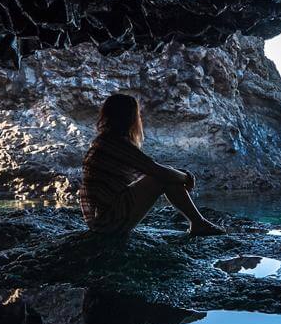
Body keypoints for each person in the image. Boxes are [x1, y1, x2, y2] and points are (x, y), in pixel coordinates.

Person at [79, 93, 224, 236]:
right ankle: (198, 223)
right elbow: (155, 170)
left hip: (102, 221)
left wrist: (180, 174)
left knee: (167, 175)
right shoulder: (115, 143)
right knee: (162, 178)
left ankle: (198, 222)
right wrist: (186, 177)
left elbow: (153, 168)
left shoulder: (104, 141)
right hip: (108, 222)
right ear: (129, 118)